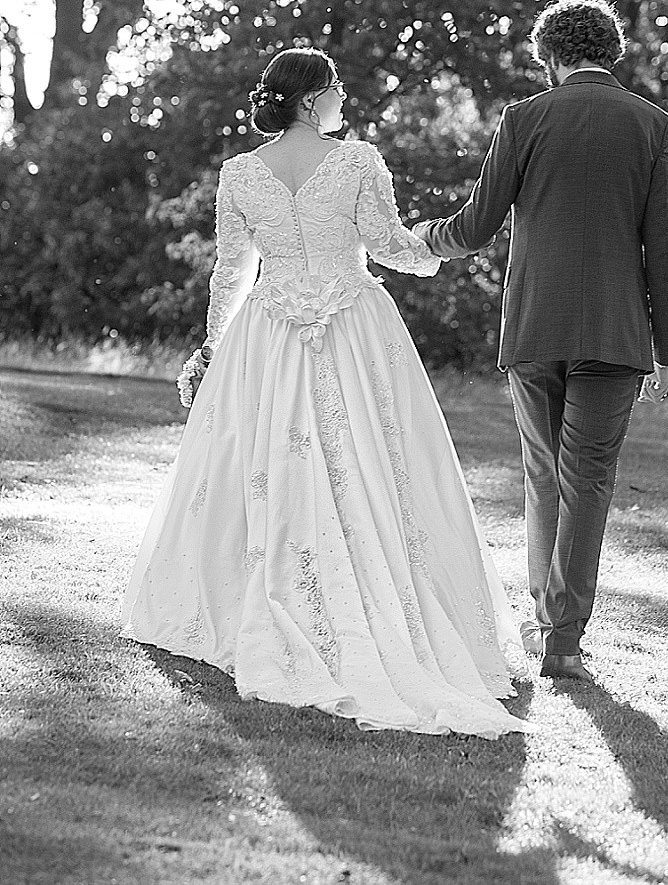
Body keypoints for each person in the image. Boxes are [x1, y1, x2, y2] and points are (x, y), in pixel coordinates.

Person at [122, 47, 531, 736]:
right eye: (337, 88)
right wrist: (447, 241)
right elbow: (390, 246)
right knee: (373, 458)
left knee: (268, 459)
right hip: (351, 324)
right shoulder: (357, 161)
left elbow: (231, 273)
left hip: (268, 331)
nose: (344, 98)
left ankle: (264, 591)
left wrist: (214, 346)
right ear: (314, 99)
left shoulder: (240, 172)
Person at [413, 0, 668, 682]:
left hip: (535, 326)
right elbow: (664, 248)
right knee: (587, 481)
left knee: (543, 476)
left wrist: (423, 239)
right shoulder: (653, 124)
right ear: (610, 52)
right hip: (618, 333)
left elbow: (475, 227)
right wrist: (666, 348)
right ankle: (563, 641)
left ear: (552, 56)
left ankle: (544, 623)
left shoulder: (524, 118)